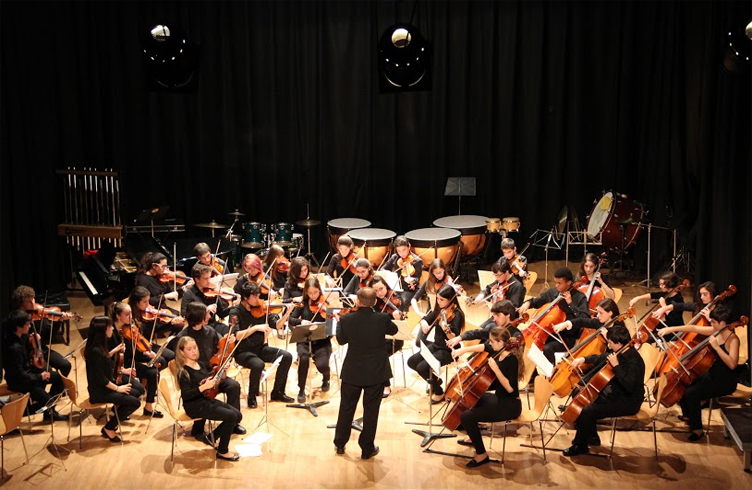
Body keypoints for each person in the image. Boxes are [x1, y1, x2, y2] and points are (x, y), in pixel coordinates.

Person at [333, 288, 398, 459]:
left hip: (352, 371)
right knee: (371, 412)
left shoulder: (347, 319)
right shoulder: (382, 318)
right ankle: (366, 448)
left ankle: (340, 443)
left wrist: (340, 322)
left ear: (358, 302)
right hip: (375, 373)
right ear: (375, 302)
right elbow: (394, 331)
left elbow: (341, 340)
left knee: (346, 408)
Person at [658, 305, 740, 441]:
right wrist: (671, 329)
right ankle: (688, 416)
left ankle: (698, 429)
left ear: (723, 323)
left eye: (713, 322)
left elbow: (732, 364)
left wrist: (716, 347)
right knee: (686, 382)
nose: (711, 324)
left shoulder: (733, 340)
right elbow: (694, 328)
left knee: (692, 393)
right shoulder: (716, 332)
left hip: (725, 381)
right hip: (712, 374)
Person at [562, 325, 645, 456]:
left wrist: (616, 366)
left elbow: (629, 386)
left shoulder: (633, 361)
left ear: (618, 343)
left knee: (589, 410)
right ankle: (592, 436)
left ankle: (580, 445)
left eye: (611, 343)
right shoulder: (621, 351)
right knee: (584, 399)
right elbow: (601, 357)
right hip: (617, 393)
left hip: (629, 401)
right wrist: (583, 359)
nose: (609, 346)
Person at [451, 326, 524, 468]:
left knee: (467, 416)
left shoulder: (511, 360)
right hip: (500, 398)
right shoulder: (498, 350)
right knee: (474, 397)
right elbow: (483, 347)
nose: (489, 344)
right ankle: (474, 435)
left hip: (510, 405)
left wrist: (496, 369)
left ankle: (482, 455)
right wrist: (462, 350)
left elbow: (511, 389)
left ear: (501, 343)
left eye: (492, 341)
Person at [176, 302, 246, 442]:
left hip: (213, 372)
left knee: (233, 386)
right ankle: (199, 427)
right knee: (203, 396)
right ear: (199, 317)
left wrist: (227, 345)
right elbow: (179, 363)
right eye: (206, 313)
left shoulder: (210, 331)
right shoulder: (183, 337)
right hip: (197, 379)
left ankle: (232, 423)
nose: (209, 315)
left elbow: (220, 347)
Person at [175, 336, 243, 461]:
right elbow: (186, 395)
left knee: (237, 415)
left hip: (205, 400)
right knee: (231, 416)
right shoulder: (183, 372)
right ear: (181, 352)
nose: (194, 351)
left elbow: (210, 380)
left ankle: (211, 436)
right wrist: (203, 387)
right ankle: (222, 451)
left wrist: (222, 373)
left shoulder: (199, 364)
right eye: (189, 349)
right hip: (194, 405)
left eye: (194, 347)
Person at [229, 281, 294, 408]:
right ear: (246, 298)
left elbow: (277, 325)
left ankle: (277, 392)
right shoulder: (235, 312)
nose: (258, 299)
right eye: (255, 297)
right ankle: (251, 397)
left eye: (258, 296)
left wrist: (287, 314)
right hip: (243, 351)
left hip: (260, 348)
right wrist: (255, 328)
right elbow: (236, 335)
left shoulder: (261, 308)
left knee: (287, 356)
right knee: (258, 364)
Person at [85, 316, 144, 442]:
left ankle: (116, 415)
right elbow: (101, 379)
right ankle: (109, 427)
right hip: (99, 391)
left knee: (136, 392)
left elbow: (104, 359)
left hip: (106, 386)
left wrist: (114, 352)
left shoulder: (99, 346)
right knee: (135, 402)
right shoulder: (95, 351)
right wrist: (118, 389)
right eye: (109, 326)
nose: (112, 328)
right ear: (103, 330)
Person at [3, 310, 68, 421]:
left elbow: (28, 356)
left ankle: (49, 412)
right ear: (18, 327)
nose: (29, 326)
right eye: (27, 324)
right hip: (20, 381)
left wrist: (35, 342)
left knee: (59, 378)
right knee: (49, 401)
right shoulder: (13, 348)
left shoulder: (22, 337)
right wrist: (40, 376)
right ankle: (22, 412)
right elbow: (18, 374)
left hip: (29, 375)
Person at [407, 285, 465, 403]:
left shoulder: (457, 314)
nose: (438, 302)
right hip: (436, 345)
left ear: (451, 299)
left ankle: (439, 392)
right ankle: (436, 380)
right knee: (412, 361)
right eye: (437, 298)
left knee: (422, 368)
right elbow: (427, 318)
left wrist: (446, 329)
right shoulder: (439, 309)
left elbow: (454, 338)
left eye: (441, 299)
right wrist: (424, 323)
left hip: (449, 350)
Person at [518, 267, 589, 363]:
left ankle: (550, 373)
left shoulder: (580, 297)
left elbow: (585, 319)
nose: (556, 286)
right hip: (547, 332)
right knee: (520, 338)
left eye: (559, 283)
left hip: (565, 337)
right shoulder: (553, 293)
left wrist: (570, 303)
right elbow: (537, 301)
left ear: (568, 283)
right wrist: (528, 303)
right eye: (555, 282)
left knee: (548, 348)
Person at [110, 301, 164, 417]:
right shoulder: (110, 333)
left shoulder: (128, 329)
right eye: (127, 314)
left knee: (154, 373)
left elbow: (131, 352)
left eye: (131, 314)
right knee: (138, 389)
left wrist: (145, 352)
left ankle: (148, 407)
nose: (131, 317)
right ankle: (119, 407)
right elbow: (106, 359)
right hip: (116, 369)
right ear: (118, 316)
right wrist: (123, 370)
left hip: (129, 363)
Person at [288, 277, 333, 403]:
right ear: (306, 293)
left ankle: (326, 377)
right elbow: (290, 319)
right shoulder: (303, 303)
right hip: (305, 339)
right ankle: (301, 389)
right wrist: (301, 321)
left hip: (322, 340)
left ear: (320, 290)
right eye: (310, 293)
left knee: (322, 365)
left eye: (316, 293)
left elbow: (331, 327)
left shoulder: (326, 304)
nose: (313, 296)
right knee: (303, 358)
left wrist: (328, 324)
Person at [12, 285, 72, 377]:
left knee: (66, 365)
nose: (33, 303)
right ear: (21, 303)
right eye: (29, 301)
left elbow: (48, 336)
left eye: (33, 299)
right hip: (28, 355)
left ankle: (55, 392)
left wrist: (58, 321)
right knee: (51, 374)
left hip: (41, 350)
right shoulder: (15, 319)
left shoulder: (38, 314)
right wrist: (30, 338)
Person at [369, 275, 405, 397]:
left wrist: (397, 319)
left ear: (386, 286)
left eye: (381, 289)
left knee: (379, 354)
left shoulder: (396, 298)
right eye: (375, 291)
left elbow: (402, 326)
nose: (379, 293)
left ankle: (386, 385)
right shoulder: (373, 302)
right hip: (378, 337)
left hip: (395, 338)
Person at [181, 263, 238, 337]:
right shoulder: (189, 294)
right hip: (198, 328)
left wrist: (234, 306)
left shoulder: (212, 290)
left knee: (232, 333)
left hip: (213, 324)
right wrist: (205, 309)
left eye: (209, 277)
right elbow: (184, 314)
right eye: (205, 278)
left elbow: (221, 313)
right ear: (197, 279)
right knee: (219, 338)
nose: (209, 281)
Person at [127, 286, 179, 359]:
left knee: (171, 355)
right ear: (136, 303)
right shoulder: (130, 317)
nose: (148, 304)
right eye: (145, 302)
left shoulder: (147, 314)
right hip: (139, 348)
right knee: (163, 360)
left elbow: (155, 330)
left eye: (148, 301)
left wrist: (171, 323)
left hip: (148, 344)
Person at [446, 299, 522, 349]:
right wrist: (460, 337)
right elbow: (476, 333)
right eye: (493, 316)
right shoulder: (493, 326)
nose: (494, 319)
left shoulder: (516, 335)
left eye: (498, 315)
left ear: (508, 315)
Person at [381, 235, 423, 307]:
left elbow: (417, 278)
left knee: (402, 301)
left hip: (409, 290)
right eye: (399, 251)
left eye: (404, 250)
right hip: (395, 288)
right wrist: (389, 274)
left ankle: (400, 315)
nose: (402, 254)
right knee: (382, 298)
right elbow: (383, 269)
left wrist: (413, 281)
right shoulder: (395, 257)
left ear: (409, 246)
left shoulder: (417, 261)